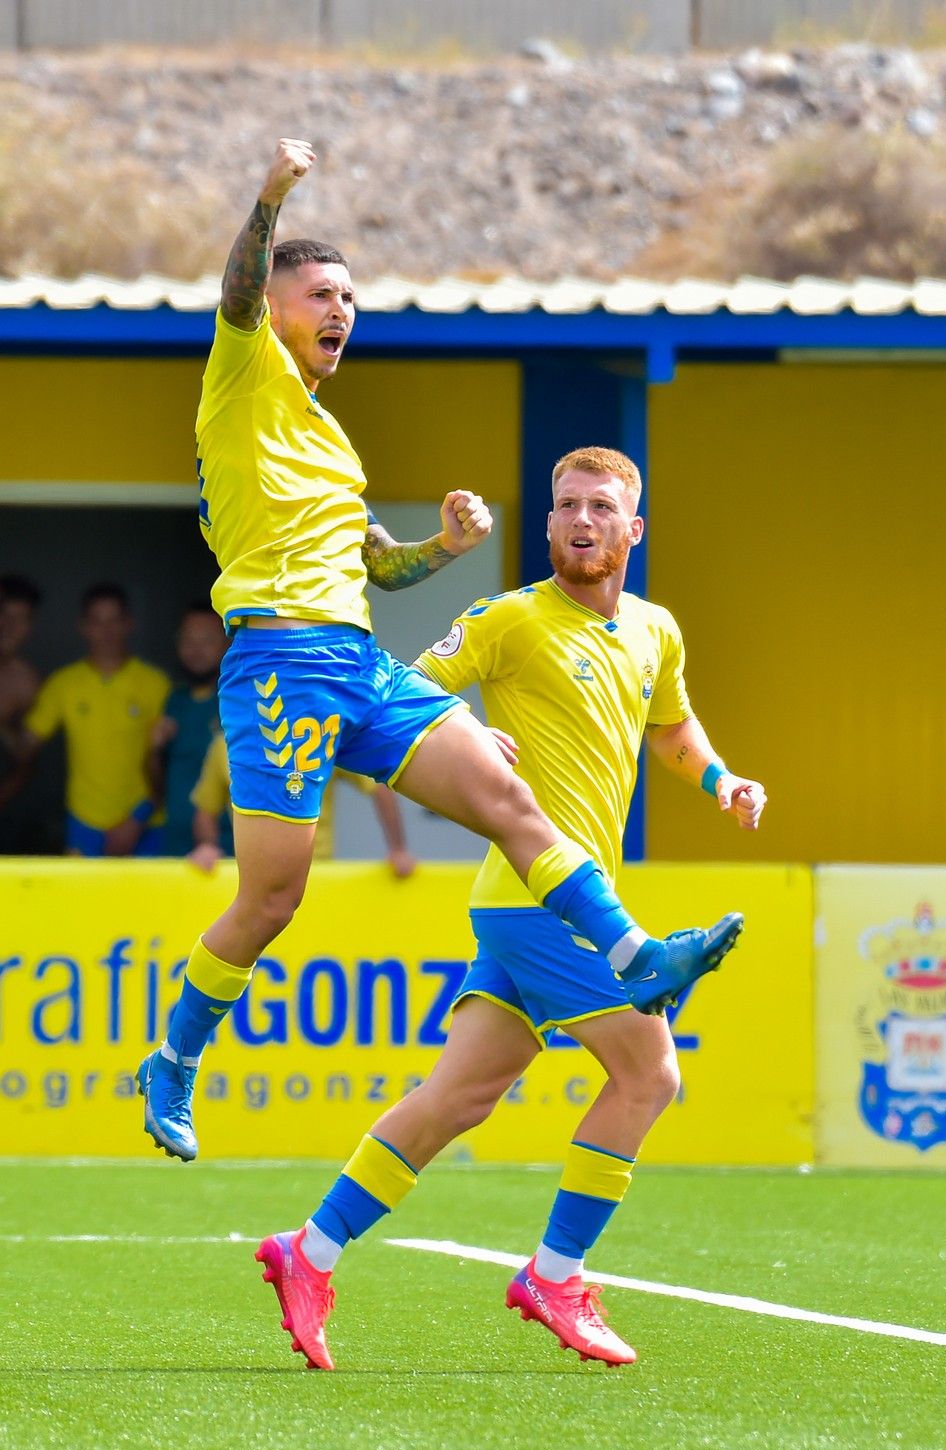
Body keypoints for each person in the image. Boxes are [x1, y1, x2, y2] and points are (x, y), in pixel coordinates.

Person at [136, 138, 741, 1165]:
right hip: (278, 663)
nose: (341, 311)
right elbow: (239, 286)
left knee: (509, 804)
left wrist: (444, 550)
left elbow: (380, 570)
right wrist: (271, 198)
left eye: (352, 300)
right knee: (272, 899)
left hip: (359, 662)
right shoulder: (240, 372)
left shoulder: (325, 441)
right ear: (274, 302)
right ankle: (176, 1057)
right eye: (323, 292)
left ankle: (638, 954)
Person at [254, 446, 767, 1372]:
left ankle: (308, 1251)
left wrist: (723, 780)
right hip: (542, 906)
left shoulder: (657, 632)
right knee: (651, 1075)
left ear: (632, 529)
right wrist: (454, 727)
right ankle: (556, 1275)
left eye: (601, 507)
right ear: (548, 525)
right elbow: (395, 696)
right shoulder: (511, 620)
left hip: (547, 904)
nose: (581, 520)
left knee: (457, 1096)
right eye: (567, 504)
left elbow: (673, 726)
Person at [21, 583, 169, 856]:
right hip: (84, 824)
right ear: (83, 626)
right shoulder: (63, 684)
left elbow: (174, 765)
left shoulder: (156, 684)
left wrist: (138, 818)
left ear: (129, 624)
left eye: (114, 621)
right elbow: (24, 746)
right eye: (97, 621)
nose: (107, 631)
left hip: (145, 824)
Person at [187, 728, 416, 876]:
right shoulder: (225, 743)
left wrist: (398, 849)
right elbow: (206, 809)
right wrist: (207, 846)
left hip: (316, 875)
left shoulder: (320, 736)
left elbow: (378, 788)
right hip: (252, 880)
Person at [149, 602, 230, 857]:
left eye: (206, 640)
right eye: (188, 640)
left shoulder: (238, 702)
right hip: (175, 842)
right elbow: (156, 785)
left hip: (225, 846)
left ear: (228, 643)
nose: (196, 650)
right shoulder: (174, 701)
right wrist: (153, 749)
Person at [0, 574, 42, 850]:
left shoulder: (26, 682)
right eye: (3, 615)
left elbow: (25, 763)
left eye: (21, 619)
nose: (9, 626)